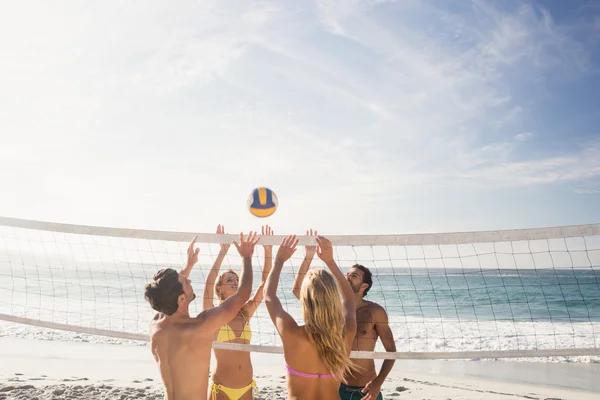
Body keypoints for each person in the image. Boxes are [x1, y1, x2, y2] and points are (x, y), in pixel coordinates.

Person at [143, 232, 259, 400]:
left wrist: (188, 265)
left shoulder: (156, 324)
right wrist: (246, 257)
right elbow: (243, 293)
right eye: (186, 282)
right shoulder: (199, 326)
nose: (190, 282)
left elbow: (164, 295)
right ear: (181, 298)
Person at [292, 231, 396, 400]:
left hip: (367, 390)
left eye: (353, 276)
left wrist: (378, 382)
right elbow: (298, 291)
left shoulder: (375, 312)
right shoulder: (333, 308)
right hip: (336, 387)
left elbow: (391, 352)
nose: (347, 277)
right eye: (346, 275)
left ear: (364, 286)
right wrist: (308, 256)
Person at [265, 234, 357, 400]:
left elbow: (269, 295)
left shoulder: (290, 332)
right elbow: (350, 299)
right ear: (333, 297)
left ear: (304, 300)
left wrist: (279, 261)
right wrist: (330, 262)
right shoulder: (347, 331)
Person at [202, 225, 274, 399]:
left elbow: (265, 284)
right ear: (219, 288)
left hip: (246, 387)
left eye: (236, 279)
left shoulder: (245, 312)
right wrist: (223, 252)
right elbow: (208, 285)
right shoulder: (213, 314)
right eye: (229, 280)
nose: (235, 282)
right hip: (222, 389)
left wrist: (268, 250)